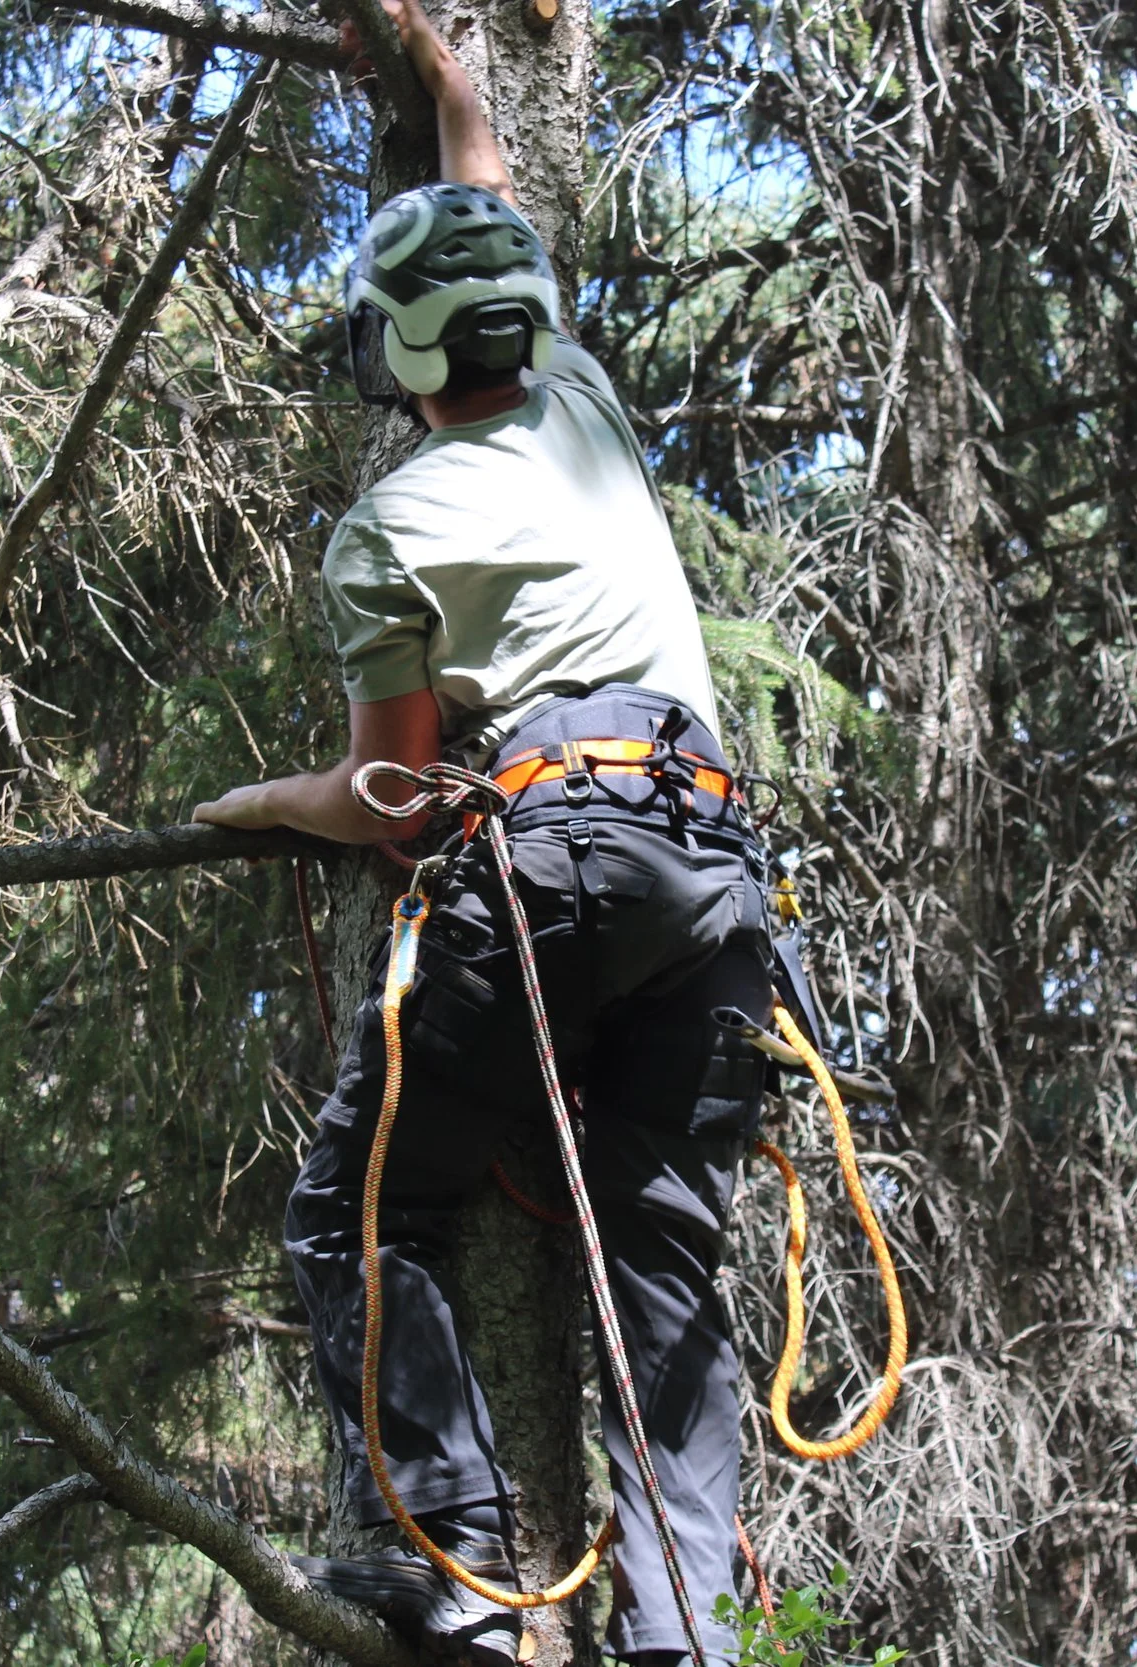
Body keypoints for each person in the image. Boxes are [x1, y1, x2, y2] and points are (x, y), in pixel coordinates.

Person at [194, 5, 772, 1661]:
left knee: (360, 1207)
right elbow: (487, 185)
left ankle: (442, 1552)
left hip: (551, 851)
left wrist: (257, 804)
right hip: (708, 864)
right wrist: (444, 79)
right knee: (660, 1280)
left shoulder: (384, 531)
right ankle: (679, 1640)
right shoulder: (579, 388)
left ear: (403, 359)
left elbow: (388, 798)